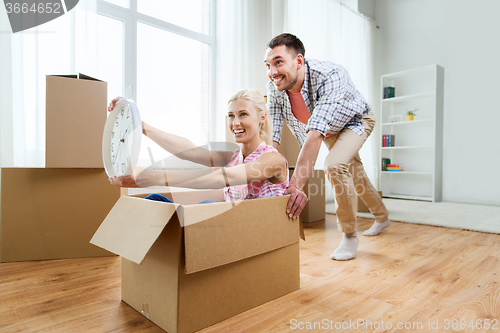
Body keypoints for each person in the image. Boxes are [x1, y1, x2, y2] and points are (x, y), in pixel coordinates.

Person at [264, 33, 390, 260]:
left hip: (356, 121)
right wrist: (265, 168)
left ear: (299, 61)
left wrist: (295, 187)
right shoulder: (275, 87)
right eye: (268, 65)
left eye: (279, 62)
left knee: (334, 165)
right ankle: (382, 216)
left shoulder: (331, 75)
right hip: (331, 129)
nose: (272, 72)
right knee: (356, 175)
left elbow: (315, 134)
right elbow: (274, 133)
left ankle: (349, 235)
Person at [107, 89, 290, 204]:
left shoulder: (272, 160)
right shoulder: (232, 156)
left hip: (251, 231)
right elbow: (189, 150)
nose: (235, 123)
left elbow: (222, 177)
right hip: (230, 224)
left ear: (262, 117)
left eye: (243, 114)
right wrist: (141, 126)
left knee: (205, 205)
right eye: (231, 116)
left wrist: (150, 177)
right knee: (153, 201)